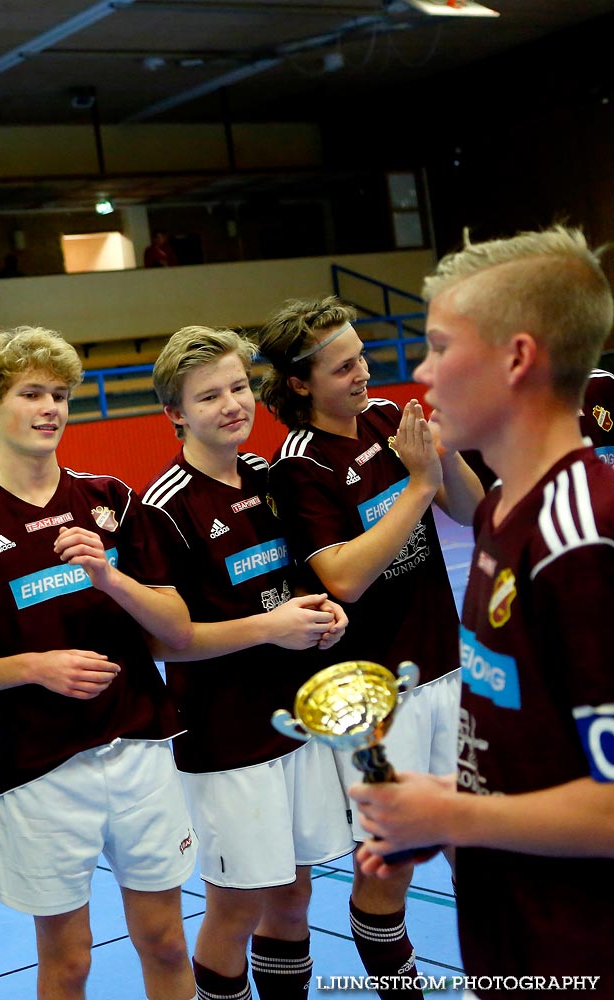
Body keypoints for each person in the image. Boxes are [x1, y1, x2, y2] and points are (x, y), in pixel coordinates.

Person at [347, 225, 614, 998]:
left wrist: (452, 817)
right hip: (513, 935)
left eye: (438, 345)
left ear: (517, 359)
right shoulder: (501, 510)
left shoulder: (581, 540)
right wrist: (439, 815)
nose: (422, 371)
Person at [0, 326, 197, 1000]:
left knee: (163, 939)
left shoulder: (113, 500)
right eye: (31, 394)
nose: (51, 409)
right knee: (68, 962)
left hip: (140, 745)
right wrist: (34, 668)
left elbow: (179, 631)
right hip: (42, 767)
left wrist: (111, 580)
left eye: (61, 395)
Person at [255, 297, 483, 1000]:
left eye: (362, 355)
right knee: (389, 866)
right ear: (300, 383)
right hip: (376, 696)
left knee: (480, 851)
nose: (363, 371)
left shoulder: (390, 419)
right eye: (343, 364)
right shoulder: (299, 465)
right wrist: (418, 485)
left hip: (448, 669)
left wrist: (441, 453)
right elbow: (345, 578)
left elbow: (474, 513)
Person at [146, 326, 354, 1000]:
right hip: (223, 737)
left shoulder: (269, 479)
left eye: (238, 387)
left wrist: (322, 614)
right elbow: (166, 641)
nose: (232, 404)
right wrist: (273, 627)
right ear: (175, 412)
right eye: (209, 396)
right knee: (237, 904)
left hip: (293, 722)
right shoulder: (161, 510)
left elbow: (295, 582)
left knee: (294, 895)